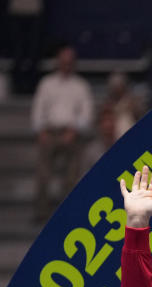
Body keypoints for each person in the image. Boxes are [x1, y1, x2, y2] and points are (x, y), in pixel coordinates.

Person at [31, 44, 93, 221]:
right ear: (58, 61)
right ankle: (41, 213)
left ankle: (68, 216)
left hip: (72, 133)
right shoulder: (46, 83)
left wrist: (75, 130)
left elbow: (86, 113)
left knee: (72, 175)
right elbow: (38, 109)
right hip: (49, 132)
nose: (66, 64)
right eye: (63, 60)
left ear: (73, 63)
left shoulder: (81, 86)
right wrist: (40, 130)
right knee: (42, 173)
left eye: (69, 61)